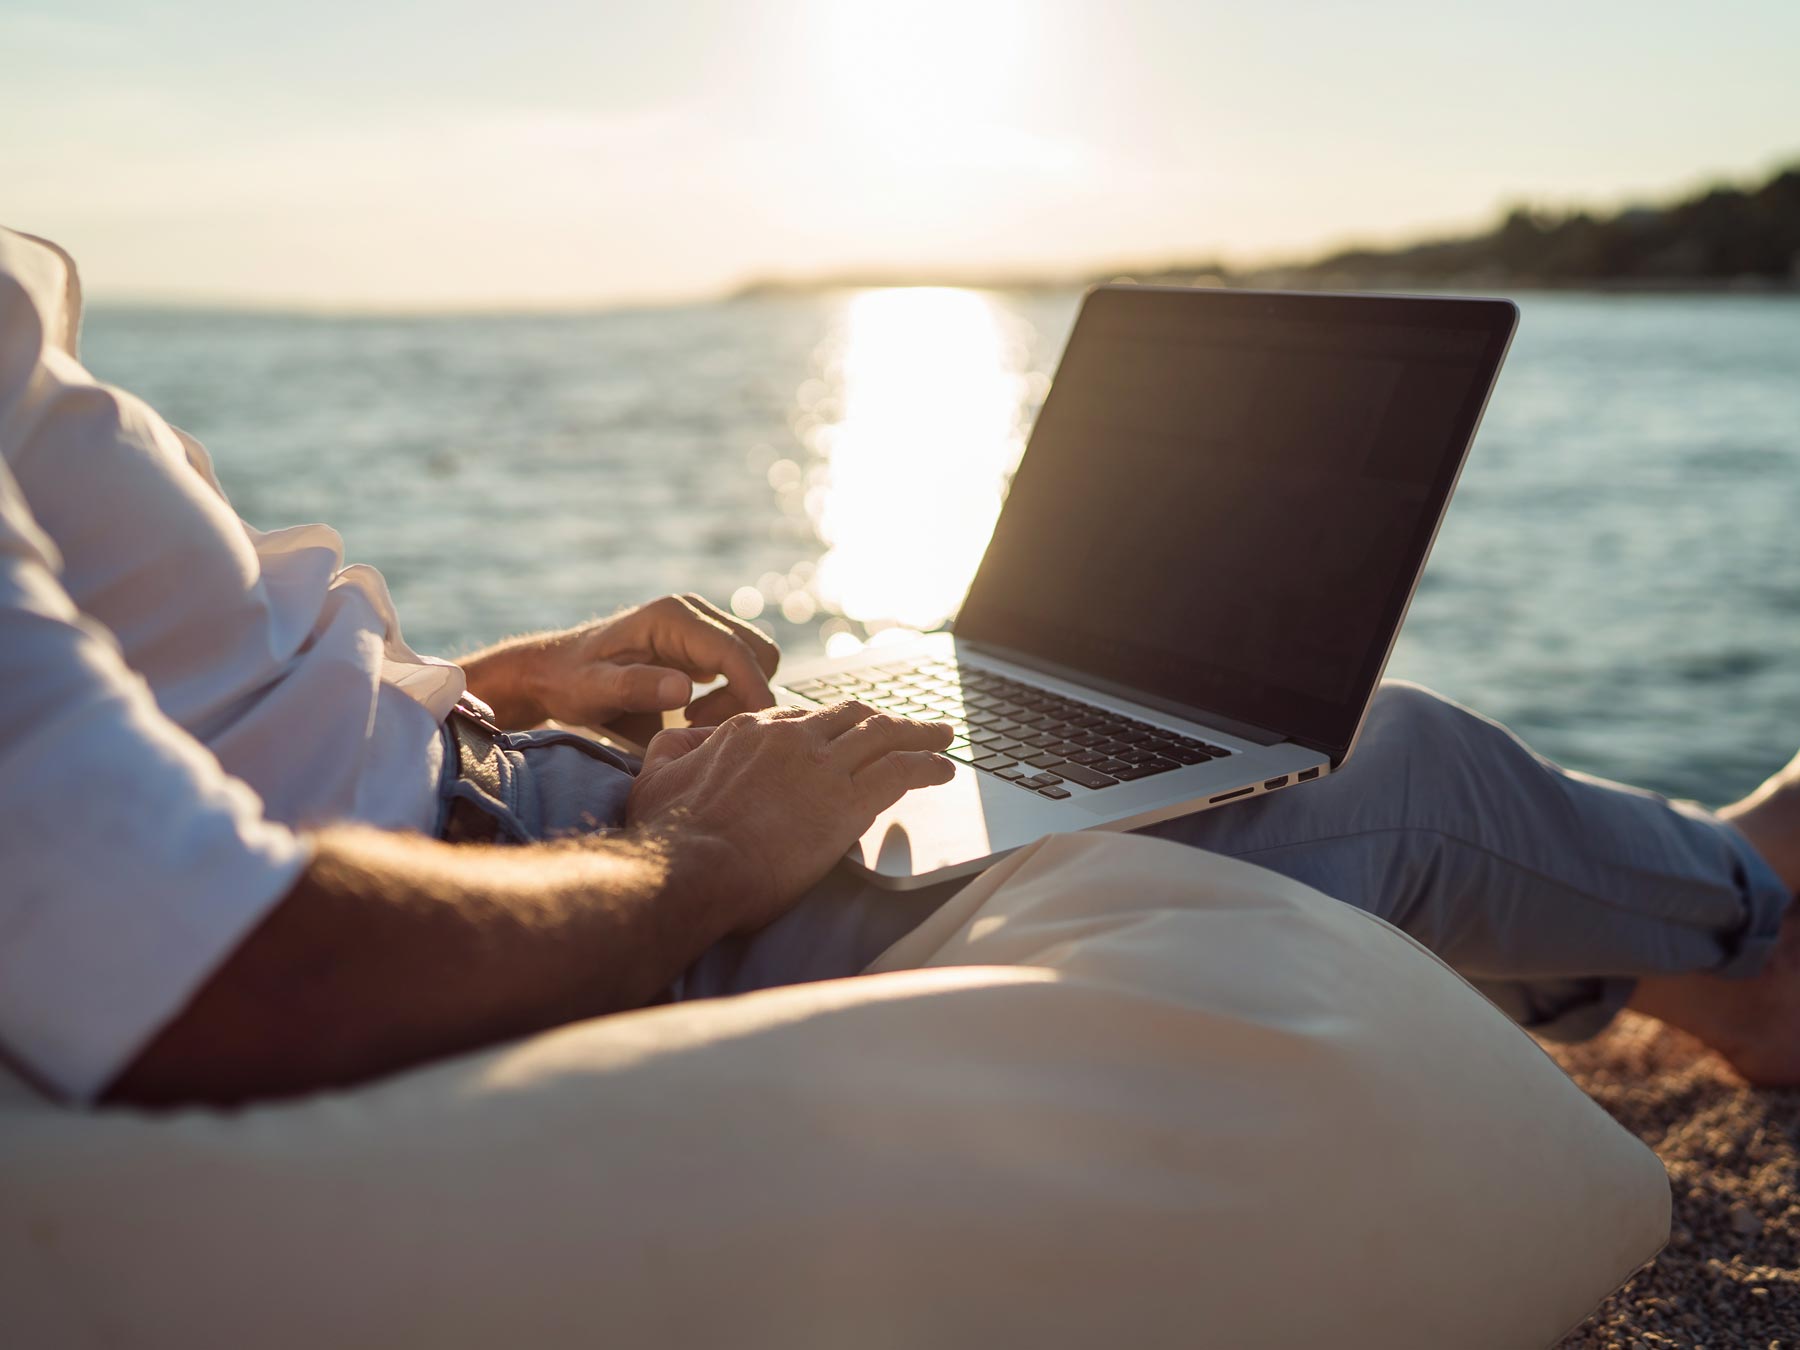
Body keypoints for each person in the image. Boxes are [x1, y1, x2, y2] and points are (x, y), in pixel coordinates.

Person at [2, 226, 1794, 1110]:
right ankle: (1754, 929)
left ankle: (1695, 950)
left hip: (500, 789)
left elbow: (158, 711)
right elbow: (211, 973)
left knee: (1184, 744)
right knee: (1373, 771)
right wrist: (693, 864)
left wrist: (486, 681)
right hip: (519, 888)